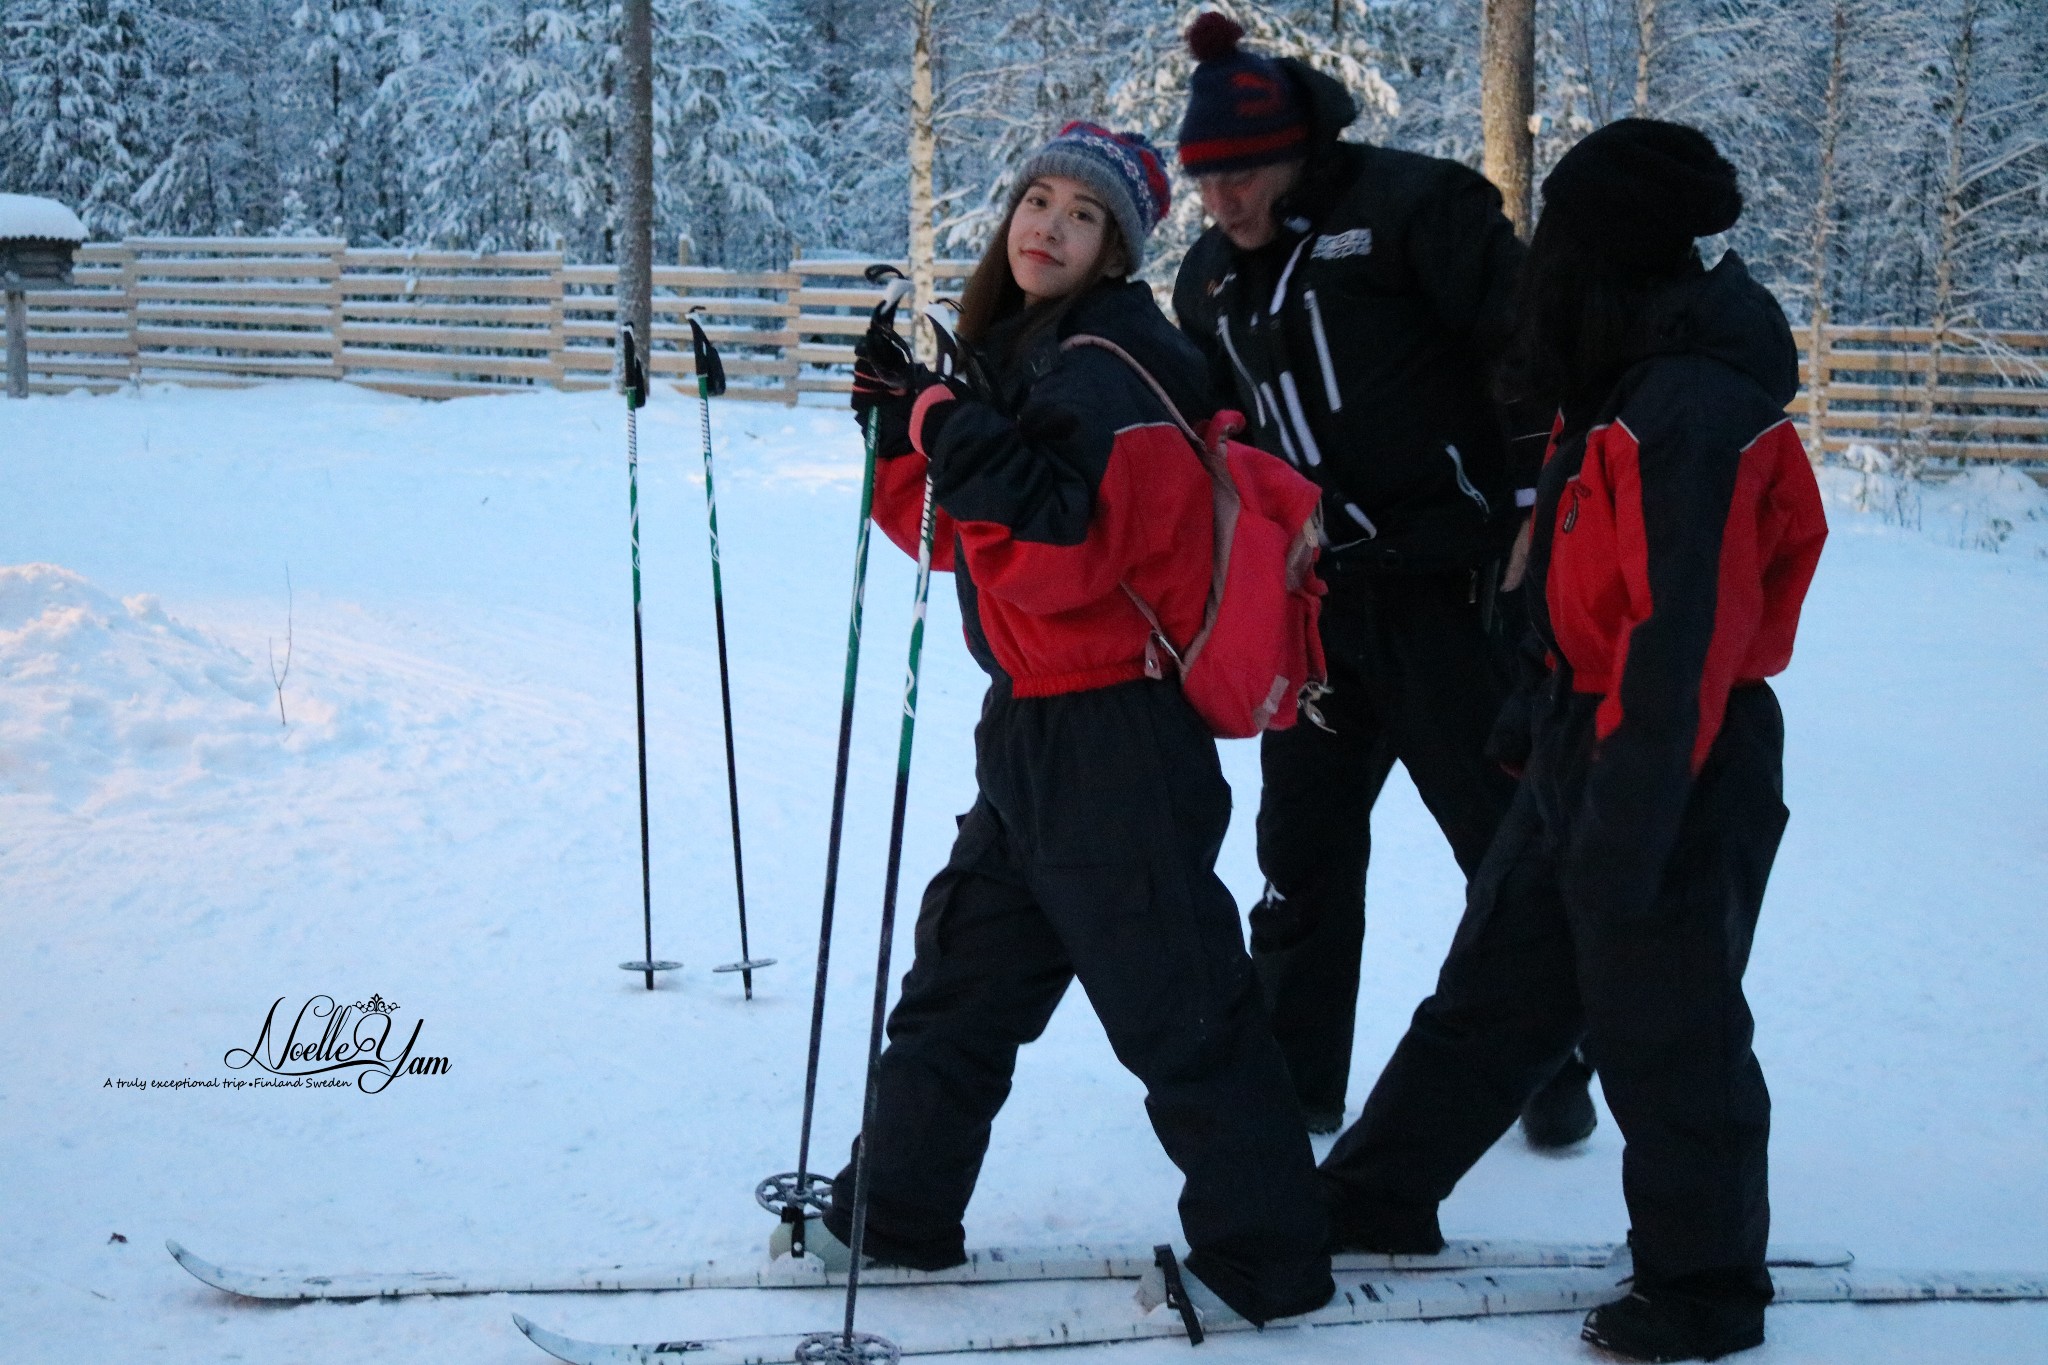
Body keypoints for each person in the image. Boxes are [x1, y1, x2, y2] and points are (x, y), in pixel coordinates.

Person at [806, 121, 1334, 1328]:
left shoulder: (1111, 365)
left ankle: (1269, 1259)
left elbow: (1056, 548)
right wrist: (903, 432)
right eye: (1034, 198)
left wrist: (945, 424)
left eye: (1080, 214)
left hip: (1113, 741)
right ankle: (893, 1217)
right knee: (960, 987)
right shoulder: (1035, 356)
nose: (1044, 225)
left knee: (1180, 1011)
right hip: (1036, 734)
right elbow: (955, 541)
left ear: (1115, 248)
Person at [1315, 120, 1828, 1362]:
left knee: (1670, 1025)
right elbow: (1582, 582)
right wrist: (1534, 702)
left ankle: (1702, 1290)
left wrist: (1631, 814)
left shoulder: (1692, 405)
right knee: (1494, 993)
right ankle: (1375, 1197)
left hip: (1674, 756)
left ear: (1611, 251)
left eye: (1559, 235)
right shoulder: (1629, 378)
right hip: (1585, 731)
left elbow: (1684, 634)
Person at [1168, 12, 1594, 1144]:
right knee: (1299, 852)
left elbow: (1531, 355)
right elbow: (1216, 432)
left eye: (1244, 173)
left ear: (1298, 148)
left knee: (1498, 843)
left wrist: (1520, 514)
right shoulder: (1205, 278)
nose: (1224, 202)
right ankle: (1298, 1078)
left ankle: (1546, 1066)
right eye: (1204, 179)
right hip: (1312, 611)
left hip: (1449, 597)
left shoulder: (1413, 210)